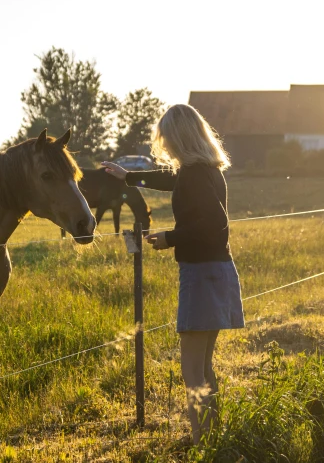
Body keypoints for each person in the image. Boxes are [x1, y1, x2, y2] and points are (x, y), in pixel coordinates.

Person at [102, 103, 245, 445]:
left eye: (166, 138)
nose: (163, 146)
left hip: (200, 274)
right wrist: (129, 176)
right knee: (204, 366)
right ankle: (212, 438)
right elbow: (174, 181)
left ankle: (200, 443)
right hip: (219, 271)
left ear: (179, 137)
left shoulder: (195, 174)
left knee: (192, 370)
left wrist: (170, 238)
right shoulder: (207, 170)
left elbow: (214, 224)